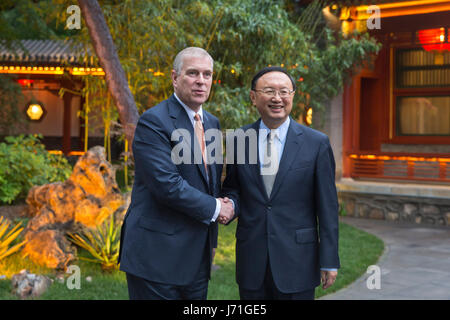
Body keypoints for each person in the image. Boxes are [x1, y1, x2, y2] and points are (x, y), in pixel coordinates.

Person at [118, 47, 234, 300]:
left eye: (207, 74)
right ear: (174, 78)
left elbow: (210, 183)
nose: (201, 81)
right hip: (155, 256)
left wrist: (229, 203)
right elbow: (167, 185)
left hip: (197, 258)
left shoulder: (212, 123)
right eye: (193, 73)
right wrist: (216, 208)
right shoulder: (154, 122)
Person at [222, 66, 340, 300]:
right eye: (269, 91)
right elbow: (233, 188)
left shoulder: (316, 143)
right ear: (253, 97)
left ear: (293, 96)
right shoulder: (238, 140)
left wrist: (329, 260)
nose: (277, 98)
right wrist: (229, 206)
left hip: (298, 260)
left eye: (284, 91)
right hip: (251, 260)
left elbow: (327, 206)